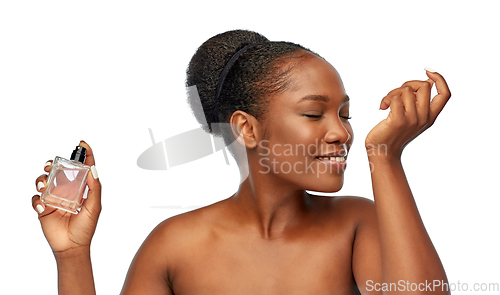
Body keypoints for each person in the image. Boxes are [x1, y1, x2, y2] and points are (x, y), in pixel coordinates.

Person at [32, 30, 452, 294]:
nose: (342, 132)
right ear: (247, 129)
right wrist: (72, 258)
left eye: (345, 114)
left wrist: (387, 158)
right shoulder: (173, 246)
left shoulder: (358, 225)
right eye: (313, 113)